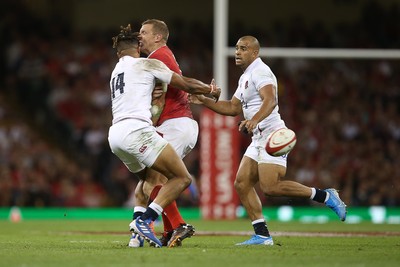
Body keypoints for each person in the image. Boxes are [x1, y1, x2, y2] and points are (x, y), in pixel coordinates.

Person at [189, 35, 347, 246]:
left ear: (255, 53)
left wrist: (254, 119)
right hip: (258, 136)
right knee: (242, 183)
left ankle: (325, 196)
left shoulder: (261, 71)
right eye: (236, 48)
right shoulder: (245, 76)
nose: (237, 52)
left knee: (270, 187)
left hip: (273, 135)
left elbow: (270, 100)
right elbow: (232, 108)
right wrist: (203, 100)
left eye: (243, 48)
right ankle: (262, 235)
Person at [108, 24, 220, 248]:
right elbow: (184, 82)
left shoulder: (116, 71)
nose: (141, 36)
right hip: (141, 130)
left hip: (116, 136)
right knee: (179, 179)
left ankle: (138, 238)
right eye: (139, 35)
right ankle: (150, 222)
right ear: (137, 48)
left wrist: (155, 94)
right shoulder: (149, 62)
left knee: (147, 183)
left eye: (144, 32)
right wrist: (209, 90)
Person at [128, 19, 198, 248]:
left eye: (144, 32)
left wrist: (206, 90)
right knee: (148, 183)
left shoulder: (157, 57)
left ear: (158, 37)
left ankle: (170, 224)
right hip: (176, 125)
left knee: (153, 181)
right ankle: (167, 232)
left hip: (175, 124)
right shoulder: (161, 57)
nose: (140, 36)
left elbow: (180, 85)